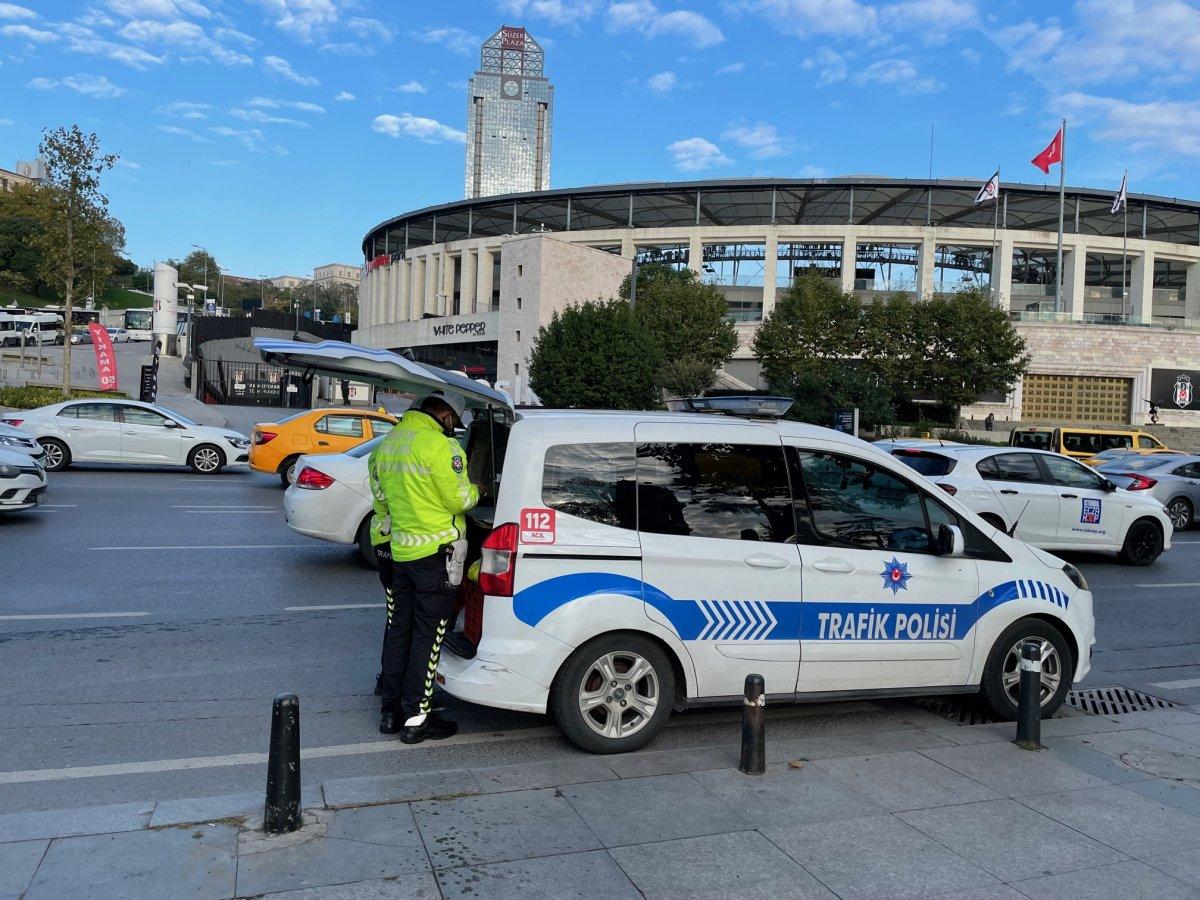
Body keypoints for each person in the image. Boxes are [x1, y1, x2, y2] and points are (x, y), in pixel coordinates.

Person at [369, 391, 483, 743]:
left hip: (401, 551)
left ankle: (390, 711)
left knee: (398, 628)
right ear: (446, 416)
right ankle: (418, 719)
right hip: (437, 554)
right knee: (429, 635)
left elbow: (381, 499)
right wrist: (478, 489)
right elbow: (459, 499)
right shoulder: (441, 447)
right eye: (453, 423)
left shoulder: (387, 444)